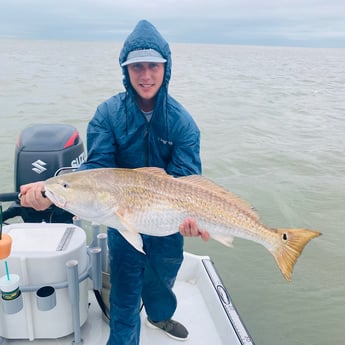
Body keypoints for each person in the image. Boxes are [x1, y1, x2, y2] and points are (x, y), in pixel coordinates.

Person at [20, 19, 209, 344]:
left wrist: (191, 220)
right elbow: (96, 174)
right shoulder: (107, 115)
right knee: (123, 297)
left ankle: (160, 316)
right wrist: (50, 192)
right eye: (137, 67)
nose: (146, 75)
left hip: (168, 222)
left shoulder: (183, 125)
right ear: (126, 69)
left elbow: (186, 183)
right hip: (121, 219)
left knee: (162, 281)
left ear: (166, 67)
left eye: (153, 65)